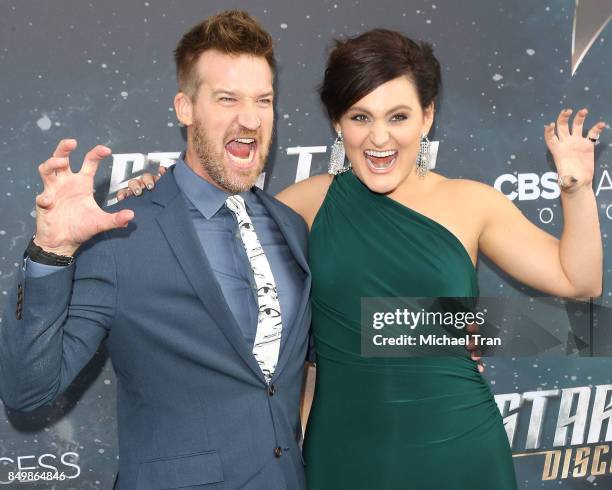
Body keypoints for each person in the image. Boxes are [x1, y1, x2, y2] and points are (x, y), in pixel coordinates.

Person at [128, 29, 605, 489]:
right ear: (337, 122)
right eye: (360, 117)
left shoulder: (472, 203)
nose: (379, 139)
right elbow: (202, 229)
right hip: (342, 448)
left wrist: (578, 187)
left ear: (427, 116)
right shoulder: (302, 206)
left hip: (458, 447)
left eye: (398, 116)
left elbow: (578, 279)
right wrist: (154, 190)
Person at [0, 11, 312, 490]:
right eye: (227, 99)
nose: (249, 119)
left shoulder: (289, 225)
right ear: (185, 108)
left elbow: (323, 352)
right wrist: (51, 250)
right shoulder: (124, 231)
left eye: (263, 100)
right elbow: (27, 391)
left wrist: (450, 330)